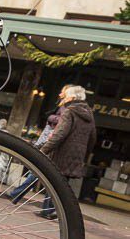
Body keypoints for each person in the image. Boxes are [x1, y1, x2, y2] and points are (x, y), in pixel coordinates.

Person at [39, 85, 96, 218]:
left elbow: (59, 135)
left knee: (53, 181)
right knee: (62, 184)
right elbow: (93, 138)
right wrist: (84, 154)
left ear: (73, 97)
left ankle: (49, 211)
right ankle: (52, 210)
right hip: (77, 155)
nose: (65, 98)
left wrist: (43, 150)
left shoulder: (69, 112)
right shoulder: (89, 115)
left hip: (62, 153)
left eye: (68, 95)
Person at [6, 111, 60, 202]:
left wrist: (40, 148)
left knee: (36, 175)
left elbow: (46, 139)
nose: (61, 95)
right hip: (49, 151)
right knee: (39, 176)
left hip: (50, 152)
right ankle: (17, 194)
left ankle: (16, 194)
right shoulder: (61, 113)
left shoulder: (64, 113)